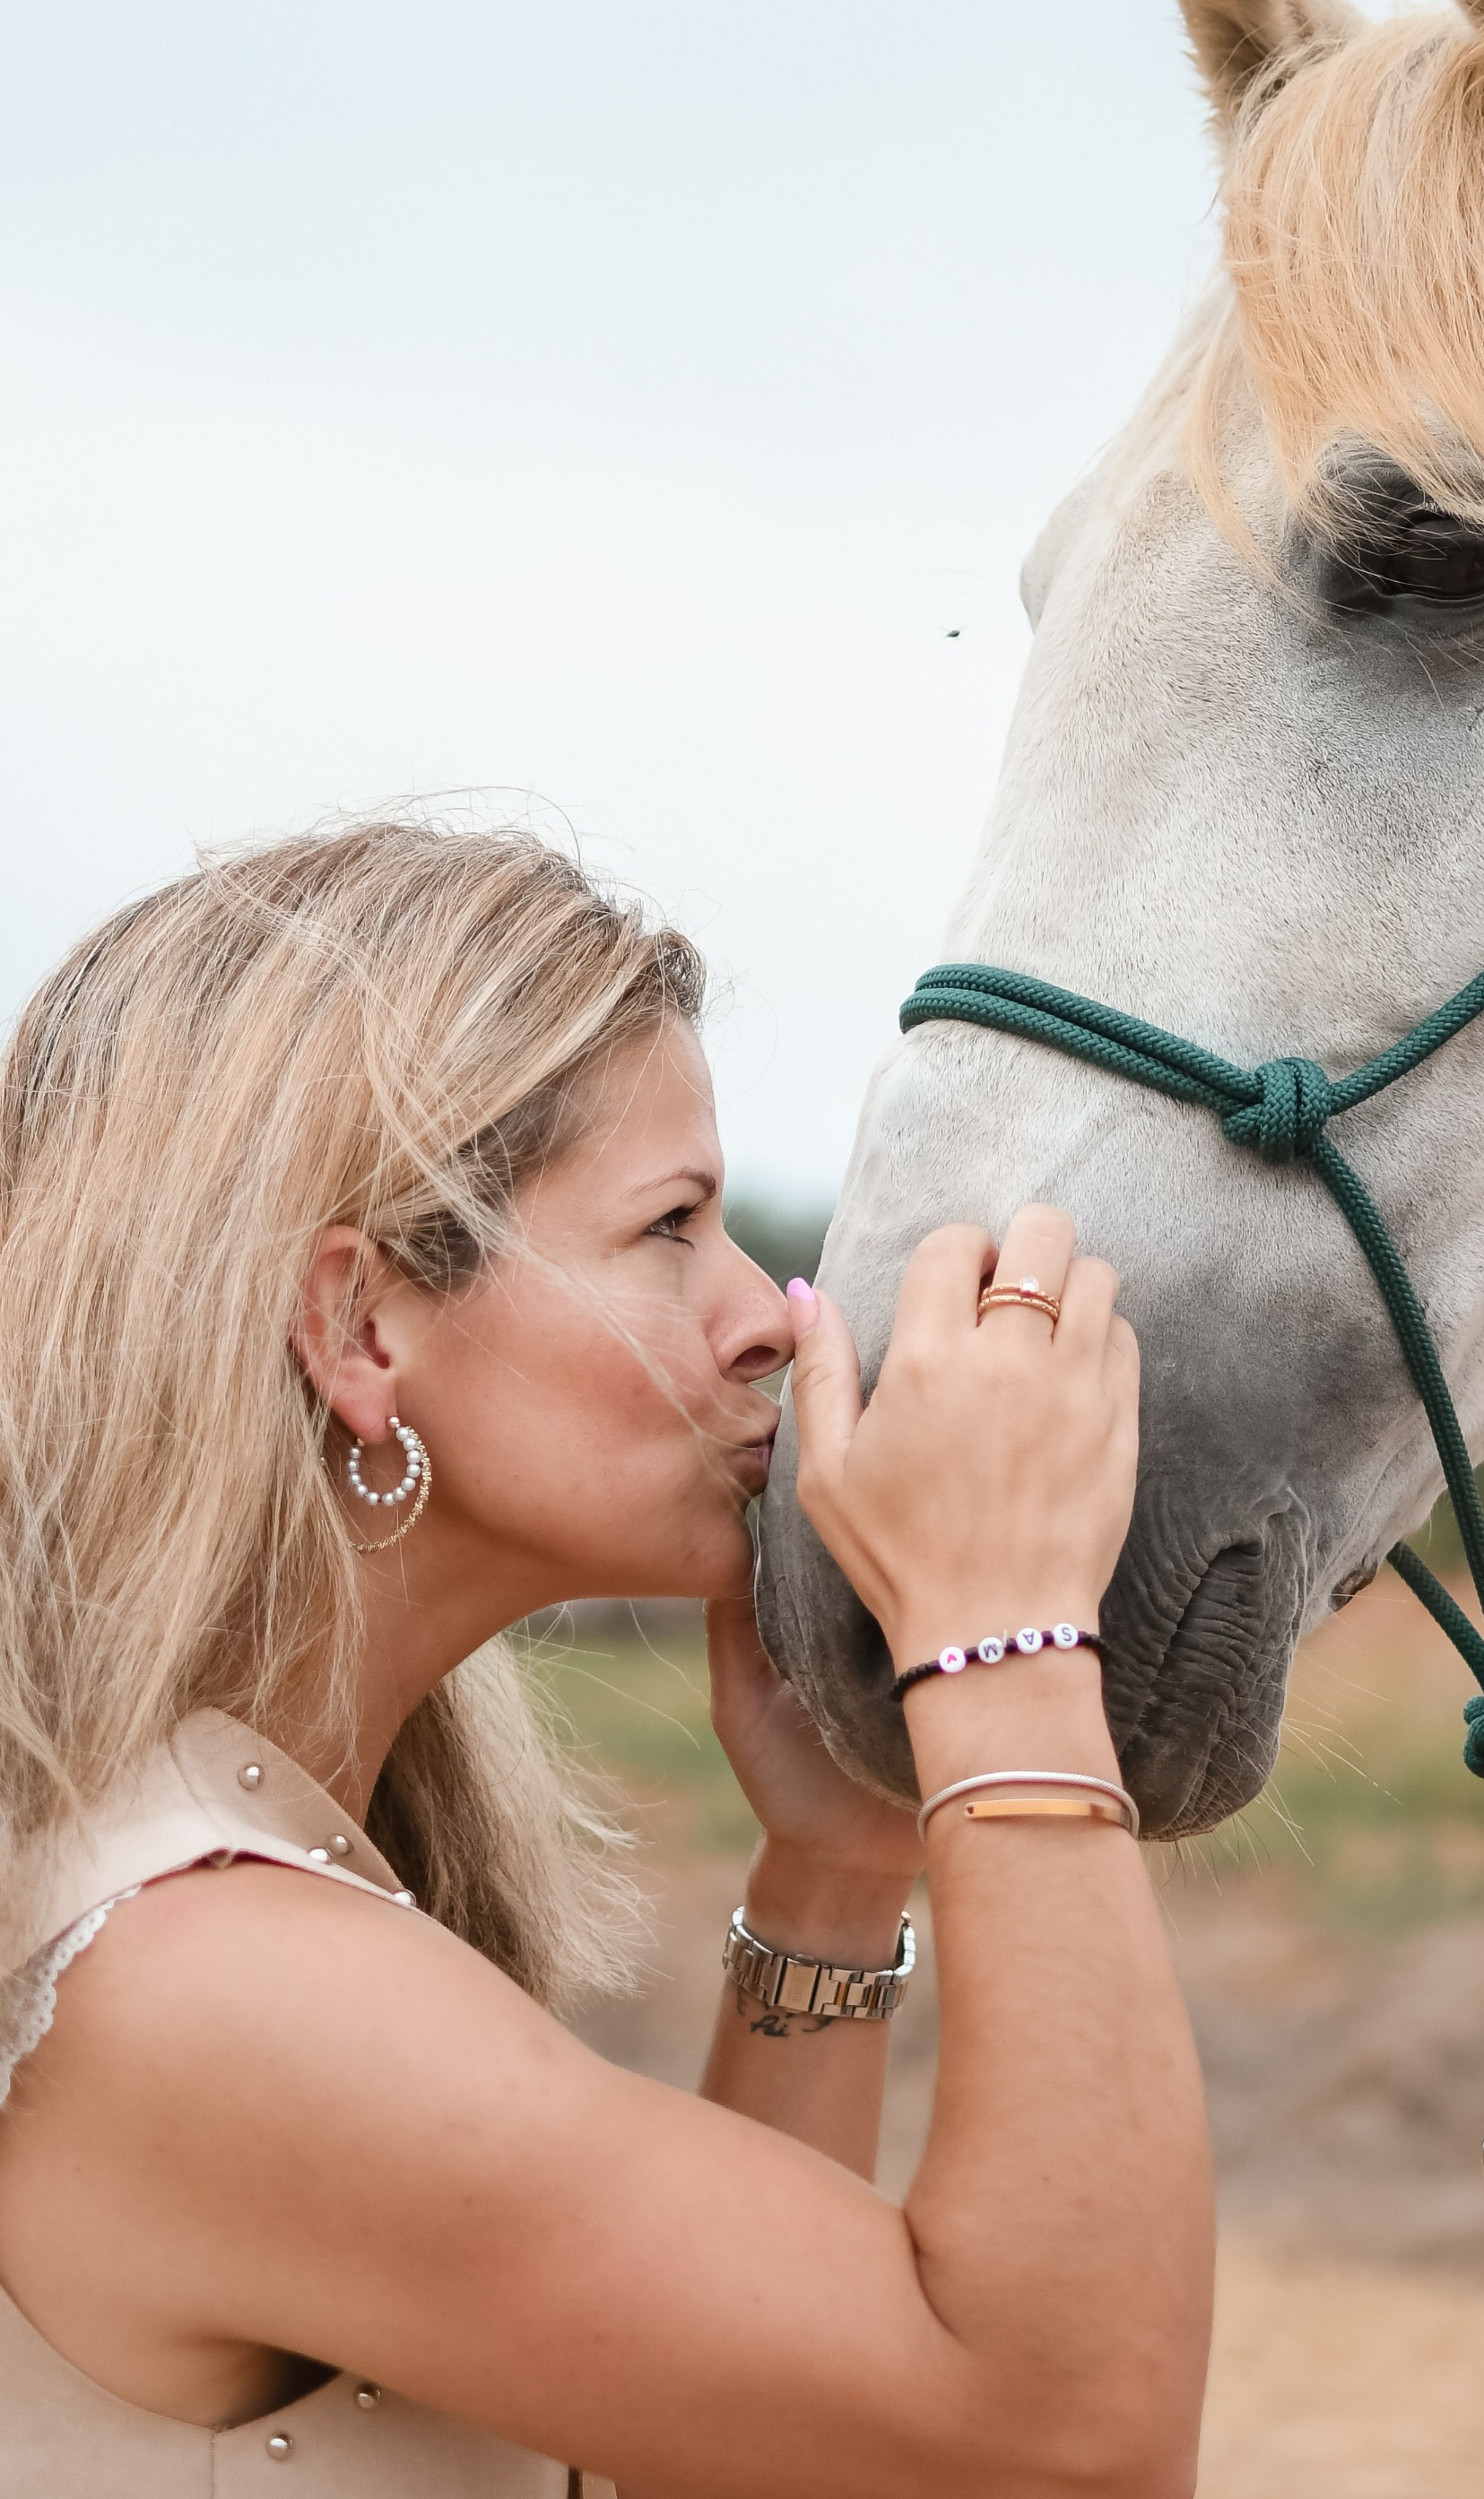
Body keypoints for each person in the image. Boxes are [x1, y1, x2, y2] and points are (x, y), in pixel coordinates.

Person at [0, 820, 1213, 2496]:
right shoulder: (207, 1983)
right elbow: (1068, 2443)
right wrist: (1011, 1642)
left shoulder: (192, 1885)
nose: (769, 1313)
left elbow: (784, 2466)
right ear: (359, 1327)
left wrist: (832, 1881)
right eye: (671, 1225)